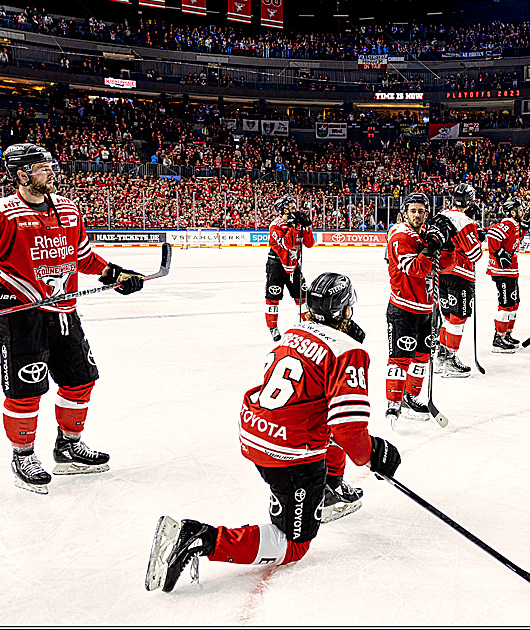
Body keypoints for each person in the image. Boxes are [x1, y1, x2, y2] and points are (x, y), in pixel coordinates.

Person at [145, 272, 402, 593]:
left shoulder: (293, 332)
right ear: (347, 311)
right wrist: (375, 453)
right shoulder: (349, 351)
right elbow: (349, 431)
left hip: (254, 427)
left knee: (322, 418)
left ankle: (328, 489)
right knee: (293, 544)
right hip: (288, 450)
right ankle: (199, 537)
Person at [0, 143, 145, 494]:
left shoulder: (68, 208)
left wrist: (113, 274)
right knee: (25, 391)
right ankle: (23, 455)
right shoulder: (0, 214)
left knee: (81, 379)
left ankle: (68, 447)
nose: (52, 172)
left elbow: (82, 256)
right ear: (22, 174)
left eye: (50, 166)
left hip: (64, 310)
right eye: (43, 167)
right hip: (20, 313)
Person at [384, 193, 456, 423]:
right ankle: (393, 404)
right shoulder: (399, 234)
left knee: (422, 357)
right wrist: (432, 245)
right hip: (403, 309)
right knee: (400, 358)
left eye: (421, 211)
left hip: (426, 309)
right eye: (413, 210)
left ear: (427, 213)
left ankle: (410, 398)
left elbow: (447, 265)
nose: (417, 214)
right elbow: (417, 268)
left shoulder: (425, 233)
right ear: (405, 212)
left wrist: (447, 243)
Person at [433, 184, 483, 377]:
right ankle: (450, 359)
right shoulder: (465, 221)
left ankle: (440, 358)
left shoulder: (441, 215)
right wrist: (477, 235)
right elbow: (475, 254)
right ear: (470, 201)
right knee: (458, 318)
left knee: (447, 317)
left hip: (440, 273)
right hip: (460, 275)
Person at [266, 196, 315, 341]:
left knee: (302, 297)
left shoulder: (297, 223)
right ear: (283, 210)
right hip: (276, 265)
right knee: (273, 298)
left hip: (294, 264)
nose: (296, 210)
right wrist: (293, 228)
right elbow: (286, 244)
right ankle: (273, 327)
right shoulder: (275, 225)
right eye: (292, 208)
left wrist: (306, 228)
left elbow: (310, 244)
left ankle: (308, 326)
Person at [485, 198, 526, 353]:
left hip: (511, 270)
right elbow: (492, 235)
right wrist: (498, 252)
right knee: (506, 304)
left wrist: (524, 228)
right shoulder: (508, 222)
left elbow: (513, 242)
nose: (522, 212)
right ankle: (498, 338)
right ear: (513, 212)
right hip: (502, 272)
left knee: (514, 303)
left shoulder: (514, 225)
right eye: (520, 210)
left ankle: (507, 334)